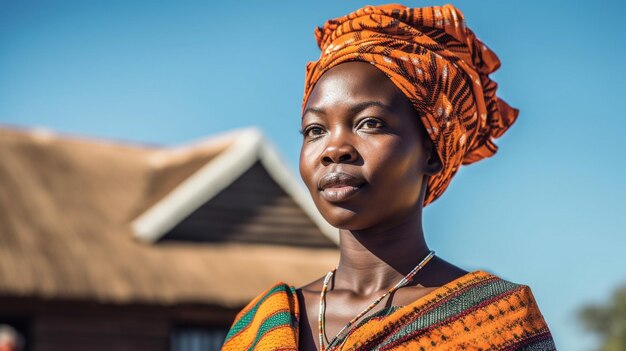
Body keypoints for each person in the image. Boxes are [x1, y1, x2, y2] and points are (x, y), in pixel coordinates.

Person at [222, 4, 556, 350]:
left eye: (370, 123)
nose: (334, 149)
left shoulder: (498, 325)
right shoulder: (259, 324)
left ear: (431, 152)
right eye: (315, 130)